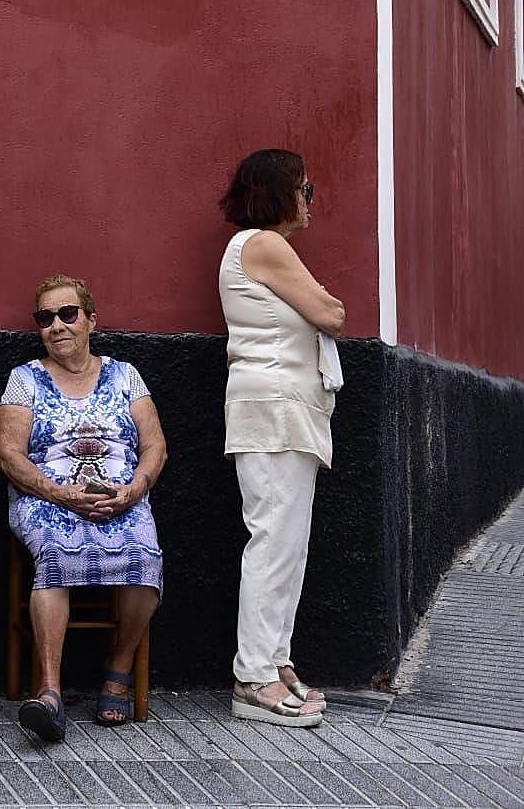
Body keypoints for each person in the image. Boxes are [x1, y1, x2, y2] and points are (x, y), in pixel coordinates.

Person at [0, 275, 167, 742]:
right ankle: (49, 690)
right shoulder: (24, 379)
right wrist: (61, 493)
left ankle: (119, 666)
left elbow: (155, 446)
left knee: (144, 555)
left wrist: (133, 489)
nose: (56, 326)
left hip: (120, 495)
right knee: (55, 553)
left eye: (67, 314)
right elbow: (8, 454)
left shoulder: (125, 375)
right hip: (47, 498)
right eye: (45, 317)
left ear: (91, 319)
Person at [218, 149, 346, 728]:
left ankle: (275, 659)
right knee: (274, 538)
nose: (310, 199)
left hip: (286, 410)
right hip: (273, 409)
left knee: (287, 542)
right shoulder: (264, 244)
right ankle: (253, 677)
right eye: (305, 188)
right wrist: (325, 302)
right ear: (277, 193)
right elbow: (331, 313)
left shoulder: (263, 248)